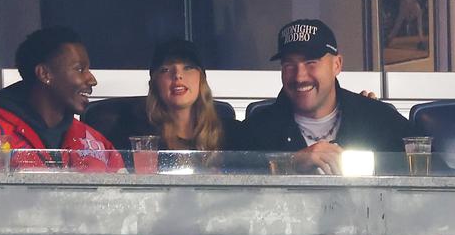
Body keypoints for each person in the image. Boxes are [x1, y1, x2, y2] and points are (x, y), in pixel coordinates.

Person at [243, 18, 415, 175]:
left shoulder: (376, 119)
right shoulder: (257, 130)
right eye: (289, 65)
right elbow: (237, 190)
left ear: (337, 65)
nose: (299, 77)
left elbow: (429, 176)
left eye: (311, 63)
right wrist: (291, 164)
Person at [0, 26, 124, 172]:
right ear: (45, 74)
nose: (91, 79)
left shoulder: (93, 139)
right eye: (80, 69)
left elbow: (127, 200)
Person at [110, 38, 244, 153]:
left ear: (201, 79)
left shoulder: (234, 135)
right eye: (165, 70)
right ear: (155, 83)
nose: (177, 76)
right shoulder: (136, 136)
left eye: (188, 68)